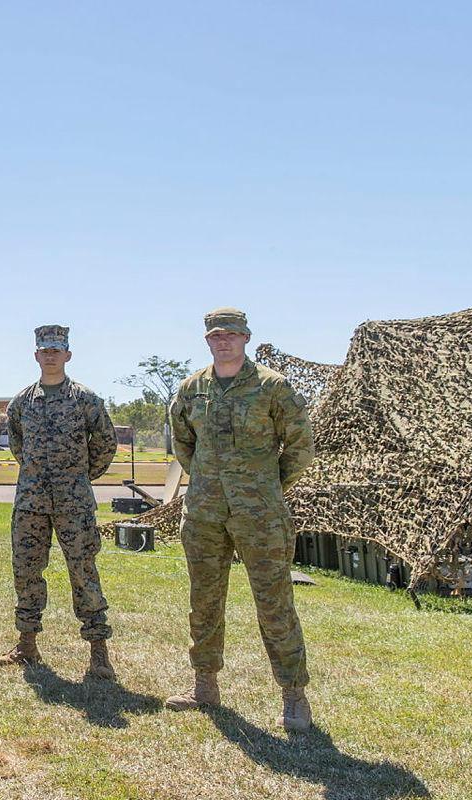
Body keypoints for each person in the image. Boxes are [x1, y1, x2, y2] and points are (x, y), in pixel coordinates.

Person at [164, 307, 316, 732]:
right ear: (207, 340)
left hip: (261, 516)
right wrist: (209, 482)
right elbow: (183, 443)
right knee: (204, 601)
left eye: (231, 334)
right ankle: (204, 685)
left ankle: (293, 694)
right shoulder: (192, 389)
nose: (223, 341)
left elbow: (300, 446)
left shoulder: (272, 387)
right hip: (206, 513)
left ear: (246, 337)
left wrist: (266, 486)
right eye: (215, 335)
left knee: (275, 604)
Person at [0, 325, 118, 679]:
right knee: (27, 572)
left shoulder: (86, 400)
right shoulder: (21, 403)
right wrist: (38, 476)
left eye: (57, 349)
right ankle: (27, 644)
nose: (50, 355)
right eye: (44, 349)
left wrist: (80, 476)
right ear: (36, 355)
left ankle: (98, 653)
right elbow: (18, 446)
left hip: (73, 503)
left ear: (68, 354)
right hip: (31, 502)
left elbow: (106, 443)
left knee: (83, 572)